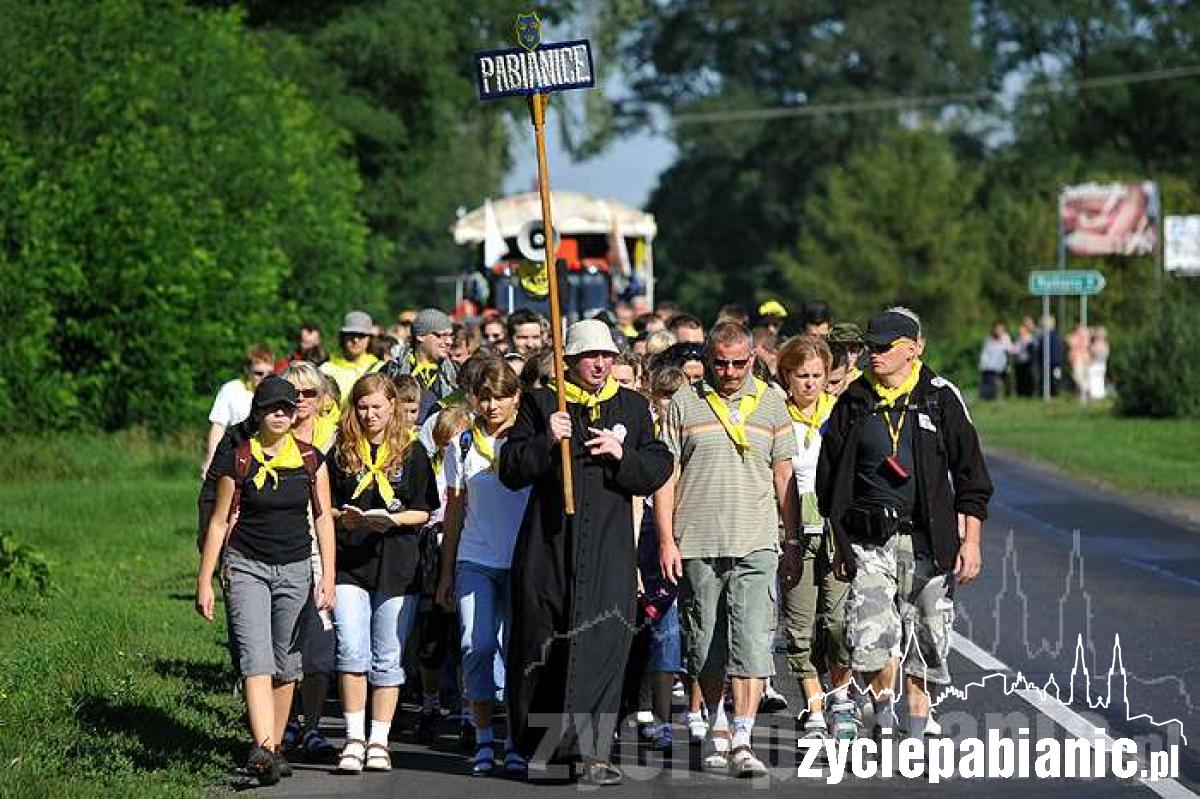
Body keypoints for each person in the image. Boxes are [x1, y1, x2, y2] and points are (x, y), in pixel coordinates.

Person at [499, 319, 673, 786]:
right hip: (549, 546)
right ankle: (541, 751)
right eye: (591, 357)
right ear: (570, 361)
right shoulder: (540, 405)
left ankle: (596, 753)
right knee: (542, 644)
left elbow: (658, 466)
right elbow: (511, 470)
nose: (601, 364)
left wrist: (622, 455)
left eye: (608, 357)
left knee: (602, 645)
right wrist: (545, 441)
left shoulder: (633, 408)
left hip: (609, 549)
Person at [816, 309, 993, 745]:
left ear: (914, 348)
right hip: (868, 542)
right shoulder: (854, 401)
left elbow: (971, 477)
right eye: (870, 346)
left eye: (883, 347)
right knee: (873, 636)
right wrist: (839, 543)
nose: (872, 354)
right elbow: (828, 476)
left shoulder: (940, 397)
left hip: (928, 541)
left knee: (929, 637)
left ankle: (916, 725)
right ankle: (882, 708)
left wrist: (971, 541)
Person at [655, 321, 799, 778]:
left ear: (752, 360)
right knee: (705, 644)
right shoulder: (684, 401)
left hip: (756, 539)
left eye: (740, 363)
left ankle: (741, 734)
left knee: (754, 639)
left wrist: (791, 539)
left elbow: (784, 477)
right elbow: (667, 475)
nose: (731, 372)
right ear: (709, 358)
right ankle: (716, 716)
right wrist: (665, 539)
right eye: (721, 363)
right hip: (697, 539)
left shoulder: (772, 402)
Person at [195, 376, 336, 786]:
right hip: (246, 567)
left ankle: (274, 750)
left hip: (295, 568)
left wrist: (328, 575)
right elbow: (219, 523)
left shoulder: (311, 460)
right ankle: (264, 746)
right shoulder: (238, 459)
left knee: (287, 664)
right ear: (256, 414)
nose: (279, 414)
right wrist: (205, 581)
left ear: (295, 415)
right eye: (271, 407)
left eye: (286, 408)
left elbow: (324, 519)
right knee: (256, 659)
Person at [328, 374, 439, 773]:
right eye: (363, 407)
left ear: (393, 406)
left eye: (377, 406)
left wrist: (392, 520)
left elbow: (425, 510)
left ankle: (380, 739)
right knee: (352, 649)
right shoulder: (342, 449)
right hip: (351, 562)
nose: (370, 414)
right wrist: (349, 518)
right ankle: (354, 738)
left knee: (388, 656)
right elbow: (327, 506)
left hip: (397, 561)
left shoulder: (412, 451)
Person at [436, 360, 532, 777]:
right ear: (473, 398)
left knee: (517, 653)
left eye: (501, 397)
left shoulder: (530, 441)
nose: (492, 405)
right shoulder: (460, 444)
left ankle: (514, 740)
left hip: (523, 561)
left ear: (516, 398)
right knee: (476, 646)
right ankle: (482, 739)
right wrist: (445, 571)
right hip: (475, 558)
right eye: (484, 397)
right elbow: (454, 509)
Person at [774, 335, 856, 747]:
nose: (809, 384)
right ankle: (816, 708)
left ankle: (842, 698)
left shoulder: (841, 414)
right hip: (793, 528)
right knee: (800, 625)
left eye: (817, 376)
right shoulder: (774, 415)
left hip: (835, 527)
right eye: (801, 375)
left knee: (839, 621)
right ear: (785, 376)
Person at [279, 362, 339, 763]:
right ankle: (279, 727)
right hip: (278, 547)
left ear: (323, 399)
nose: (300, 401)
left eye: (308, 394)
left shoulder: (335, 440)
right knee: (280, 645)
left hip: (325, 545)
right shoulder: (266, 433)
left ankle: (312, 727)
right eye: (292, 394)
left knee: (319, 643)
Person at [202, 344, 275, 478]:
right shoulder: (231, 390)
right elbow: (218, 427)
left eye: (269, 374)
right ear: (248, 370)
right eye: (259, 373)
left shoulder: (277, 393)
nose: (264, 378)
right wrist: (211, 460)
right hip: (235, 456)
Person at [382, 308, 458, 401]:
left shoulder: (455, 372)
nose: (449, 341)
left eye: (451, 336)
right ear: (421, 336)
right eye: (441, 336)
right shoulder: (393, 370)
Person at [321, 311, 382, 405]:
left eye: (361, 335)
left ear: (370, 339)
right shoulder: (326, 369)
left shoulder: (380, 369)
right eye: (351, 334)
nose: (355, 340)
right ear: (343, 337)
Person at [978, 321, 1010, 401]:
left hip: (999, 369)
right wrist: (982, 366)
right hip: (988, 368)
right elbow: (984, 354)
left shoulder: (1005, 338)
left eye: (1001, 330)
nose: (999, 331)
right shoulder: (988, 340)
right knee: (987, 388)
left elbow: (1009, 350)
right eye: (998, 329)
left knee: (997, 386)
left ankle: (997, 399)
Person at [1087, 327, 1109, 400]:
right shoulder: (1106, 344)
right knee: (1100, 380)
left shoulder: (1097, 344)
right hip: (1102, 364)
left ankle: (1095, 395)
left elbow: (1093, 353)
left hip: (1095, 364)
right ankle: (1100, 394)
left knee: (1094, 380)